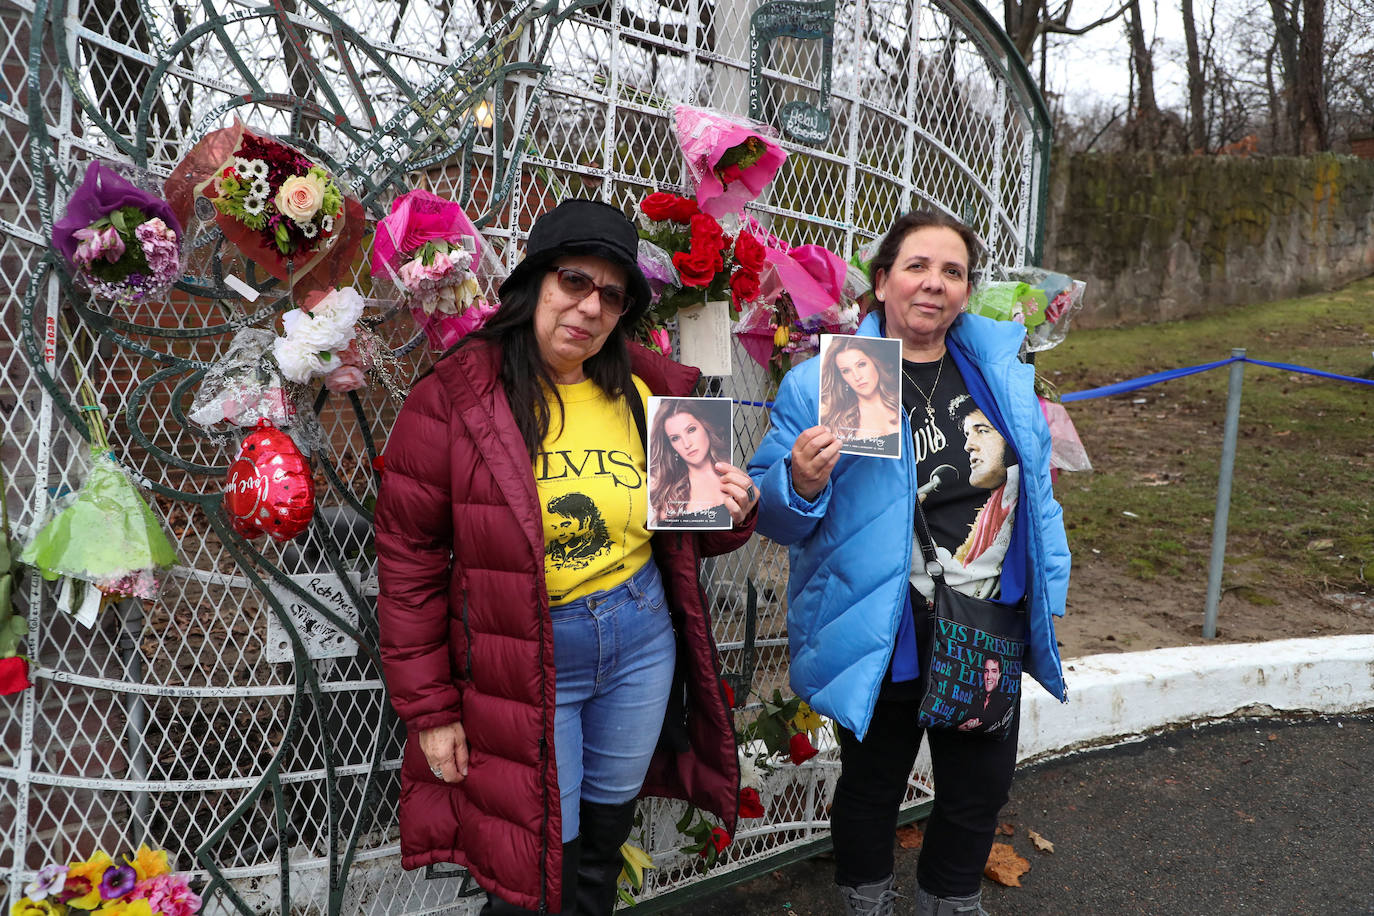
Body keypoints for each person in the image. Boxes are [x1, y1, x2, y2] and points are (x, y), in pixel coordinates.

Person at [376, 198, 759, 915]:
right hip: (525, 652)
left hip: (640, 639)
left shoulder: (651, 389)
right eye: (574, 281)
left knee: (596, 858)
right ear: (535, 283)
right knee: (534, 873)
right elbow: (409, 564)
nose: (590, 308)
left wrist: (738, 511)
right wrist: (430, 710)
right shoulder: (455, 398)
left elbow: (690, 535)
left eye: (612, 295)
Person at [748, 209, 1070, 916]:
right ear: (883, 279)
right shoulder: (823, 382)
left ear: (967, 289)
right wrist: (800, 480)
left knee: (980, 785)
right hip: (883, 622)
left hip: (985, 616)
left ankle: (950, 900)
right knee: (873, 783)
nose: (935, 284)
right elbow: (771, 514)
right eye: (917, 266)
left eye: (952, 271)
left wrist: (1051, 588)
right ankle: (866, 900)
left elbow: (1037, 495)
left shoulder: (1002, 373)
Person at [649, 399, 732, 528]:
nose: (687, 444)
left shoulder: (732, 468)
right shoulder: (670, 498)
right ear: (671, 446)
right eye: (675, 438)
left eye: (691, 430)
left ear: (706, 427)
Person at [819, 335, 901, 453]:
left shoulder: (902, 401)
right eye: (846, 371)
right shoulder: (839, 424)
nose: (857, 376)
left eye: (861, 364)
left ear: (875, 362)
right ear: (841, 377)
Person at [958, 657, 1014, 734]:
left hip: (994, 744)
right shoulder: (975, 700)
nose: (988, 677)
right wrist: (962, 727)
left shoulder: (1005, 702)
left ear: (999, 675)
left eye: (994, 671)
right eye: (986, 671)